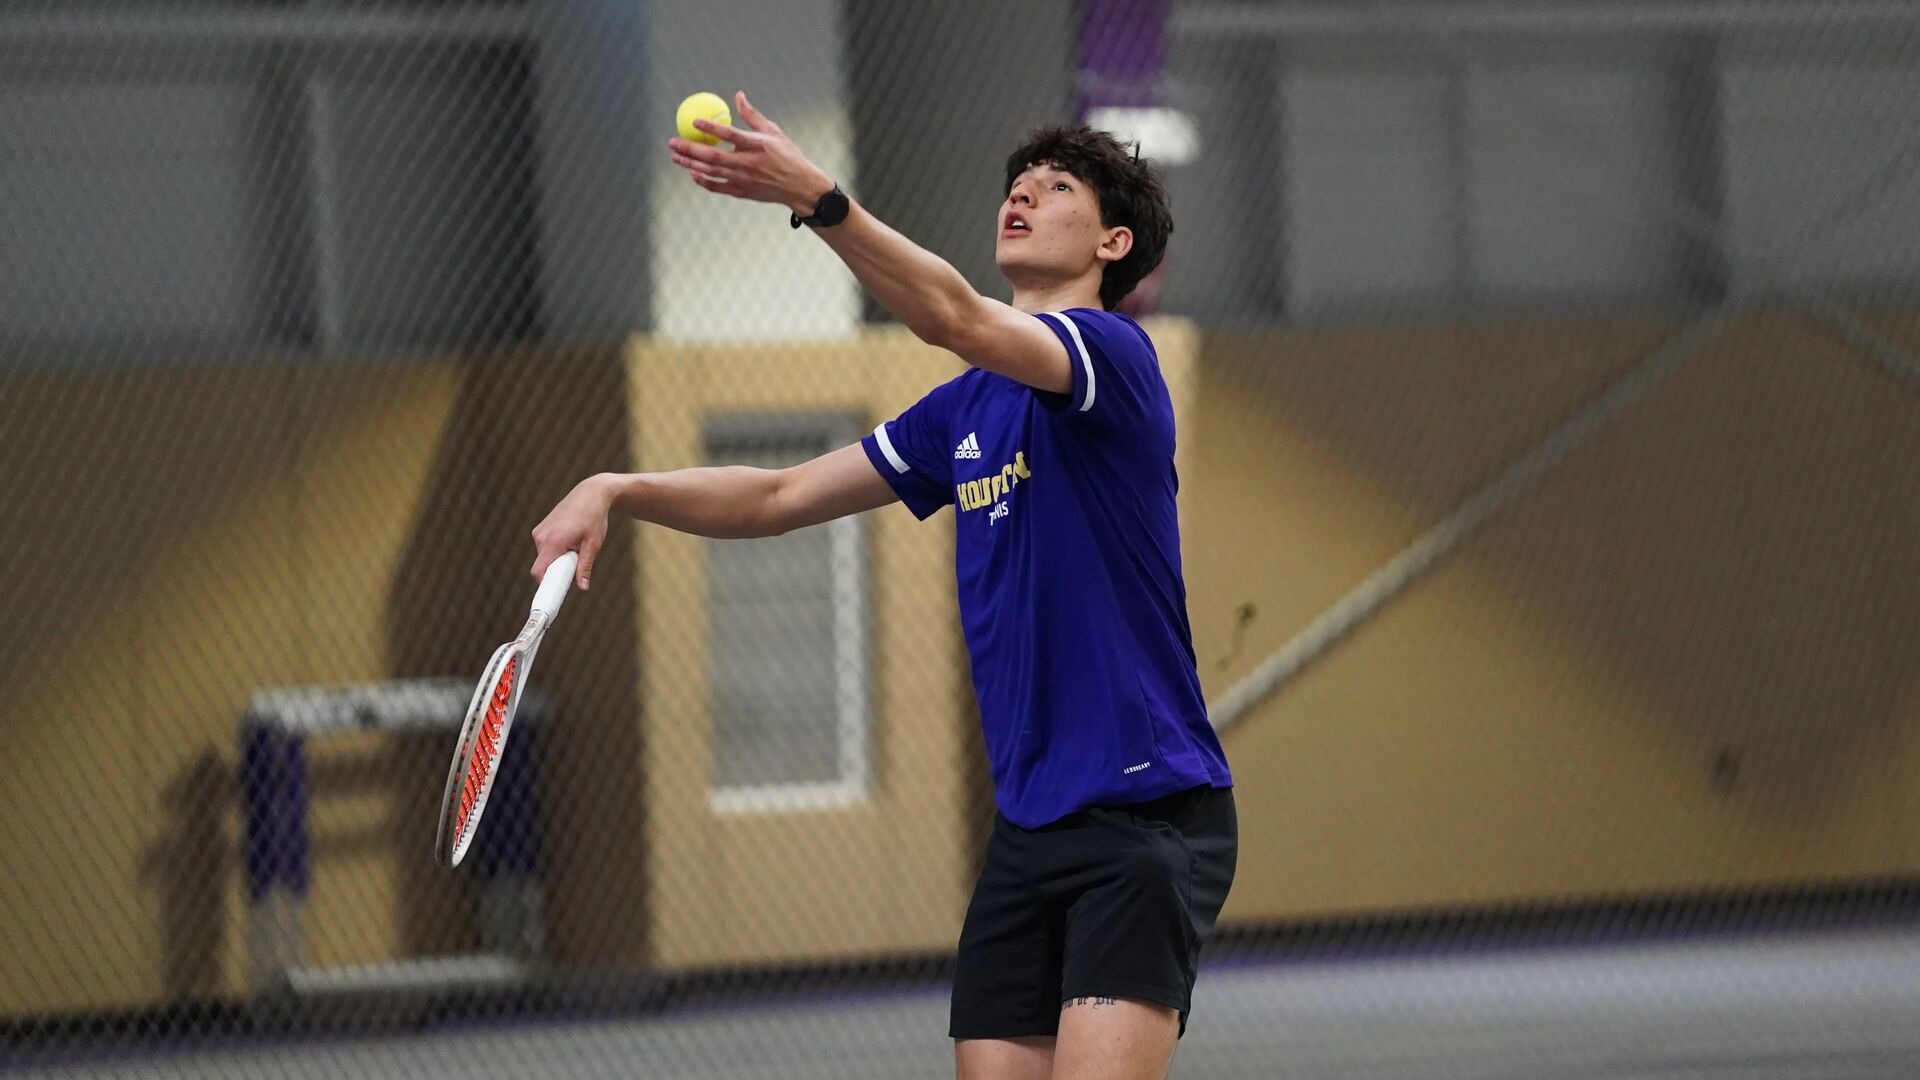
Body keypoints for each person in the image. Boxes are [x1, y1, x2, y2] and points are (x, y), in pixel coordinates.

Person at [530, 92, 1235, 1080]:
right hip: (1030, 829)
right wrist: (620, 487)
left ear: (1114, 242)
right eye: (1015, 187)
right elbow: (776, 494)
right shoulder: (965, 414)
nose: (1021, 199)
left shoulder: (1114, 360)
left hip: (1145, 817)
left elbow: (949, 315)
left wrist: (819, 199)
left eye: (1055, 189)